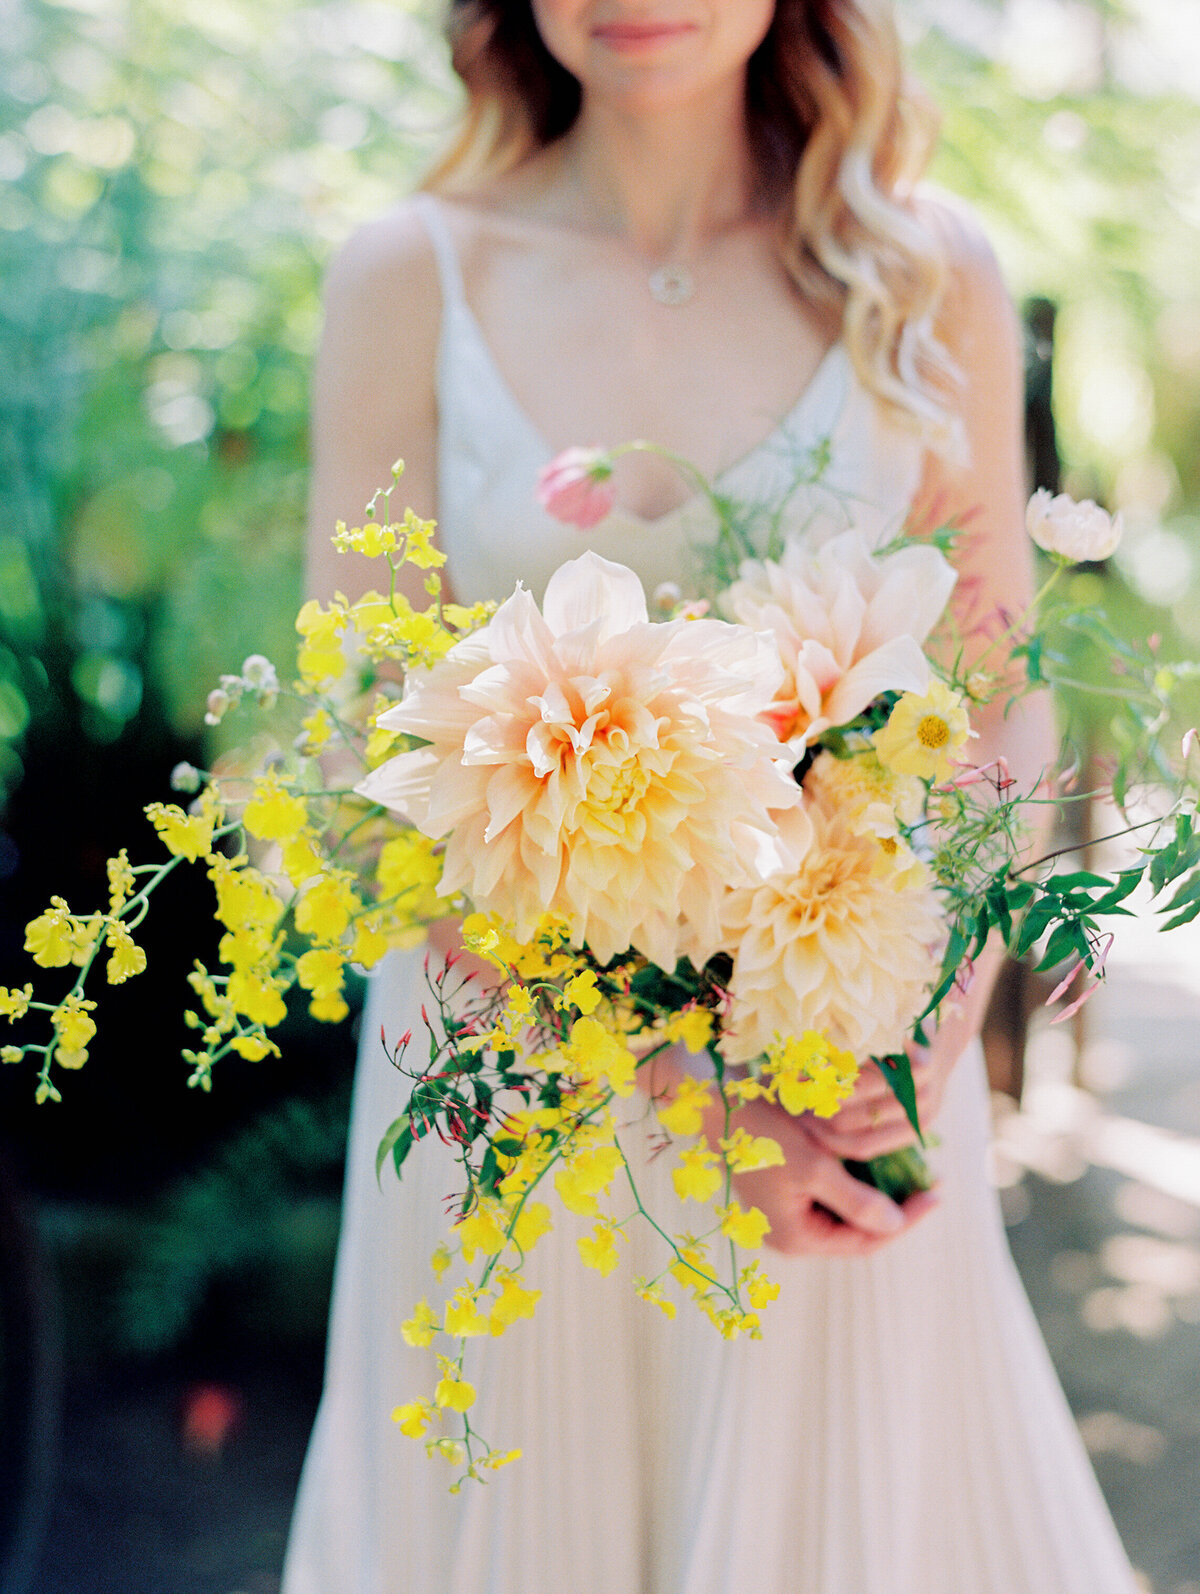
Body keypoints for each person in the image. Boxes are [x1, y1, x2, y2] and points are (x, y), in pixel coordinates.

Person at [283, 3, 1139, 1590]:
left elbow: (1000, 694)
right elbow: (356, 761)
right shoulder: (412, 273)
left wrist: (917, 1039)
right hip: (519, 1092)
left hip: (840, 1094)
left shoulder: (923, 267)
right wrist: (690, 1090)